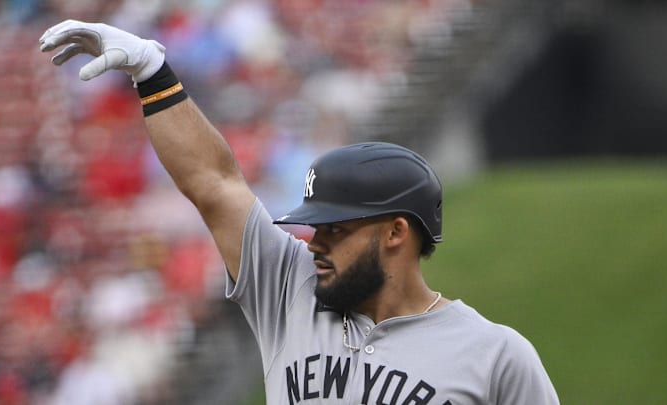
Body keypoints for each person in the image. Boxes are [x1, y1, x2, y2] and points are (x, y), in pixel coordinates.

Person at [39, 20, 559, 405]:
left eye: (335, 229)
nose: (313, 242)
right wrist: (153, 74)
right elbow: (216, 185)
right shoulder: (290, 288)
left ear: (396, 232)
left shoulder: (497, 357)